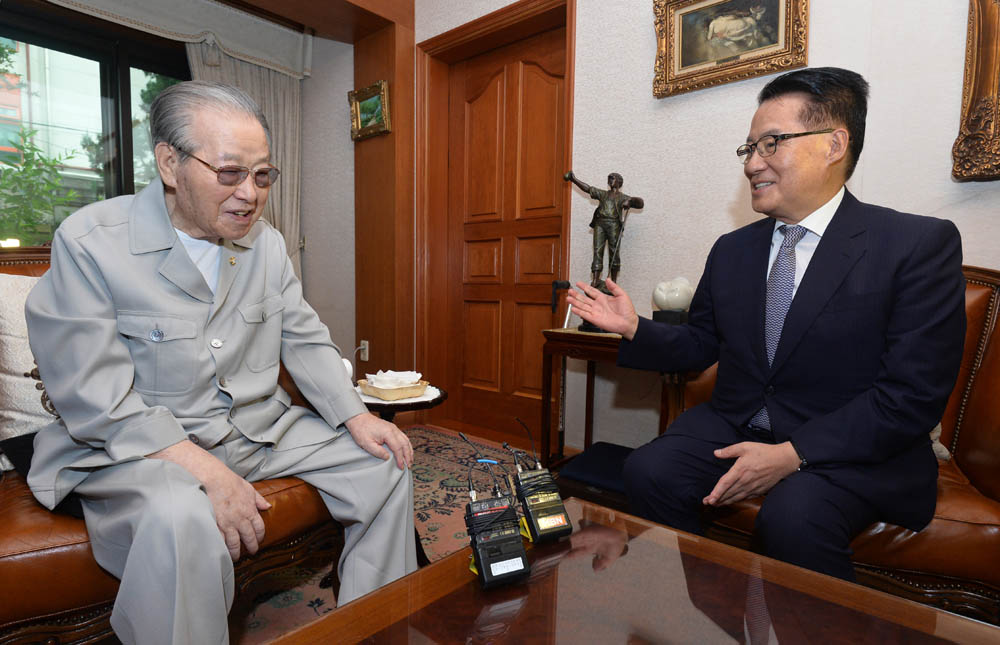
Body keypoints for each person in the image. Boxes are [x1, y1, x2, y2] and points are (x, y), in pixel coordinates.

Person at [25, 81, 417, 644]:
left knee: (385, 465)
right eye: (230, 174)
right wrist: (207, 472)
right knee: (183, 517)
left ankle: (370, 629)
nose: (250, 195)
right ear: (169, 163)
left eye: (262, 177)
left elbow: (304, 338)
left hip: (255, 430)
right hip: (136, 447)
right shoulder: (91, 242)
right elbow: (93, 394)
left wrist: (356, 416)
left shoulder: (268, 245)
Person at [566, 67, 965, 581]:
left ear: (834, 144)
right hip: (736, 422)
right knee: (649, 471)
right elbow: (701, 343)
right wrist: (636, 329)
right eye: (749, 148)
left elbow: (910, 395)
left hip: (850, 445)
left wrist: (793, 454)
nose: (752, 163)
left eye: (770, 144)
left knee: (794, 518)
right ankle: (709, 608)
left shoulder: (914, 246)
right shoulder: (734, 249)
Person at [564, 171, 644, 288]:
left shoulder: (623, 197)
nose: (610, 180)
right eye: (609, 178)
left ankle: (613, 282)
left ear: (619, 182)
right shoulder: (603, 194)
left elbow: (640, 203)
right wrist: (574, 179)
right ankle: (595, 279)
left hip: (614, 225)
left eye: (612, 178)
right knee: (597, 251)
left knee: (614, 252)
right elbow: (588, 189)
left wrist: (630, 201)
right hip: (600, 224)